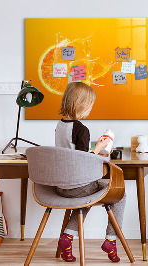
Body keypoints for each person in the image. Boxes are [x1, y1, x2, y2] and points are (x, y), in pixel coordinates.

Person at [55, 82, 126, 263]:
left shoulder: (60, 125)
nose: (90, 109)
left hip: (61, 186)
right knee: (120, 194)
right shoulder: (81, 129)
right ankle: (111, 240)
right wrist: (100, 148)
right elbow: (83, 160)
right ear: (81, 105)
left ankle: (68, 238)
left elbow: (72, 154)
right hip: (78, 186)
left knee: (85, 198)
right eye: (90, 105)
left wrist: (96, 150)